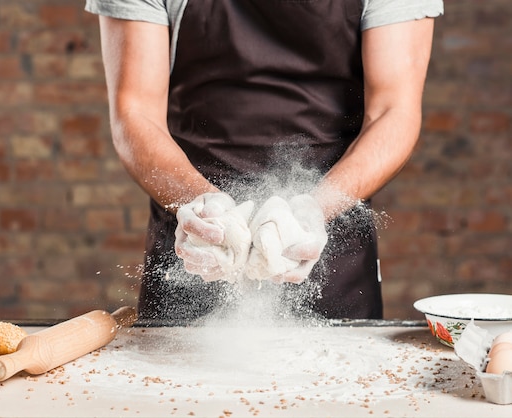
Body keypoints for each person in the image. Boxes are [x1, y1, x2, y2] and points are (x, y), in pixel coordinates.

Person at [86, 0, 444, 324]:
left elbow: (393, 112)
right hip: (197, 245)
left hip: (324, 250)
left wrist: (313, 211)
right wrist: (206, 209)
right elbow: (135, 114)